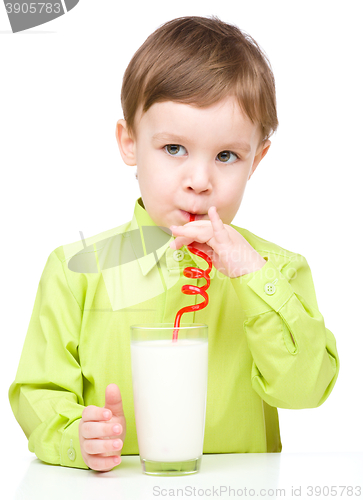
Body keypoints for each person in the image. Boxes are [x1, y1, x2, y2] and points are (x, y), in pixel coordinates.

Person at [9, 15, 340, 472]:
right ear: (130, 143)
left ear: (256, 159)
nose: (199, 181)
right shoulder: (77, 269)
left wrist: (254, 277)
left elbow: (305, 389)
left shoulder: (277, 269)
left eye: (226, 155)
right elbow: (38, 392)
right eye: (174, 149)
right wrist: (75, 439)